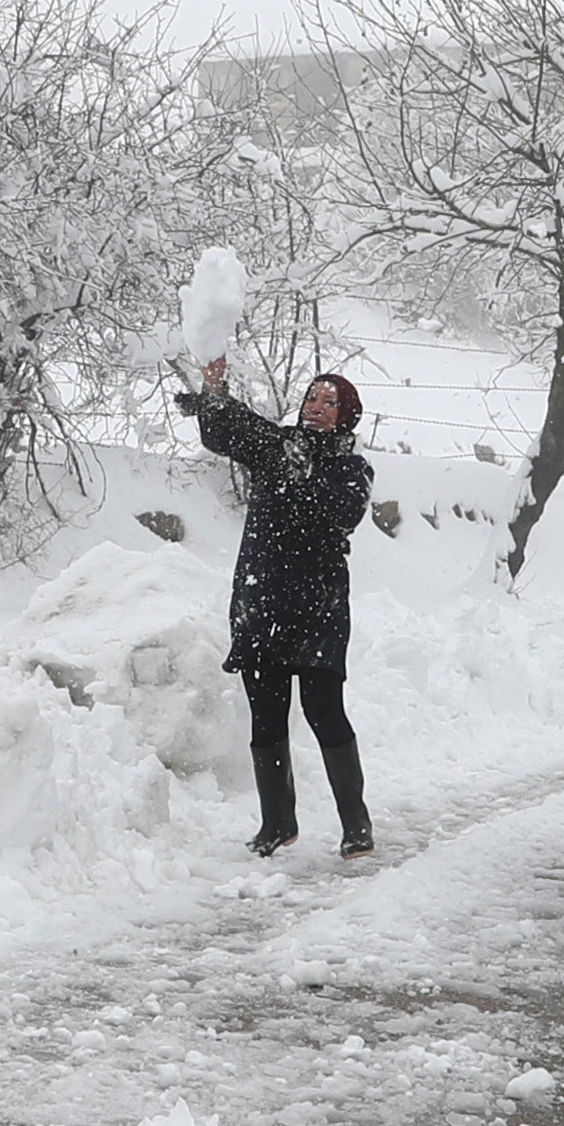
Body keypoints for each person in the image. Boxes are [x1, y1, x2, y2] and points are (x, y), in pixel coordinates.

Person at [169, 355, 375, 856]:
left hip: (318, 606)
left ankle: (356, 825)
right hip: (263, 599)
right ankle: (277, 824)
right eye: (312, 397)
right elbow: (227, 432)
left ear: (346, 415)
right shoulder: (275, 447)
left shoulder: (353, 468)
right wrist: (214, 390)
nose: (317, 407)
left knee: (324, 710)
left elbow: (343, 515)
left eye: (330, 402)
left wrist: (308, 477)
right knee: (266, 714)